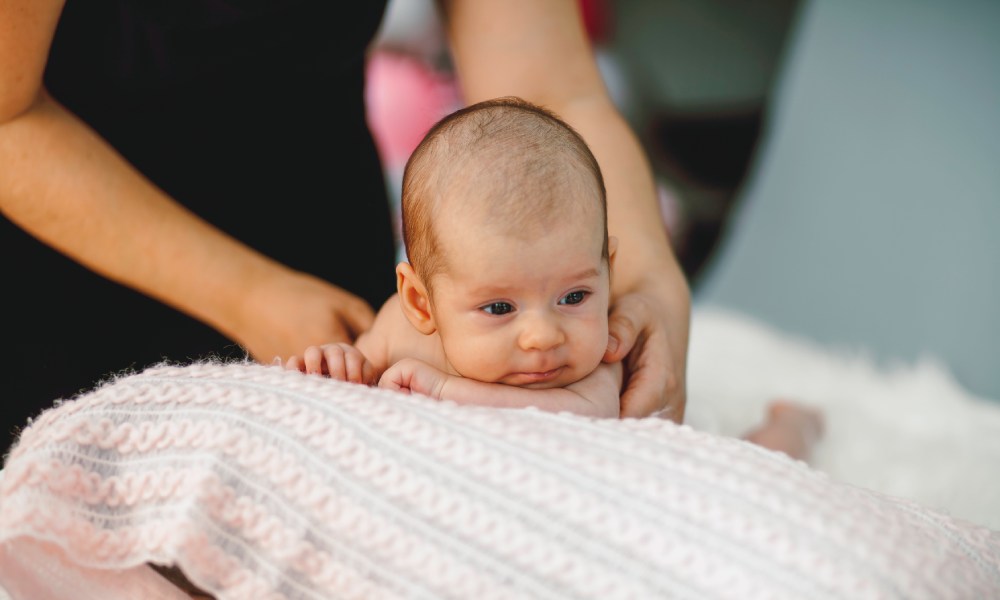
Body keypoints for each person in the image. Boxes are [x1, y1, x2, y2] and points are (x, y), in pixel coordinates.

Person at [0, 1, 689, 452]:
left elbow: (551, 93)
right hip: (60, 273)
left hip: (327, 272)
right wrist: (247, 294)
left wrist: (653, 283)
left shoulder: (392, 341)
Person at [286, 97, 823, 459]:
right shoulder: (401, 336)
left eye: (574, 295)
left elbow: (587, 418)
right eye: (499, 308)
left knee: (744, 464)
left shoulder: (596, 360)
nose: (544, 336)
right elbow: (357, 376)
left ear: (608, 271)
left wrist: (448, 390)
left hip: (638, 470)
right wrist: (340, 362)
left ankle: (793, 425)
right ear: (421, 304)